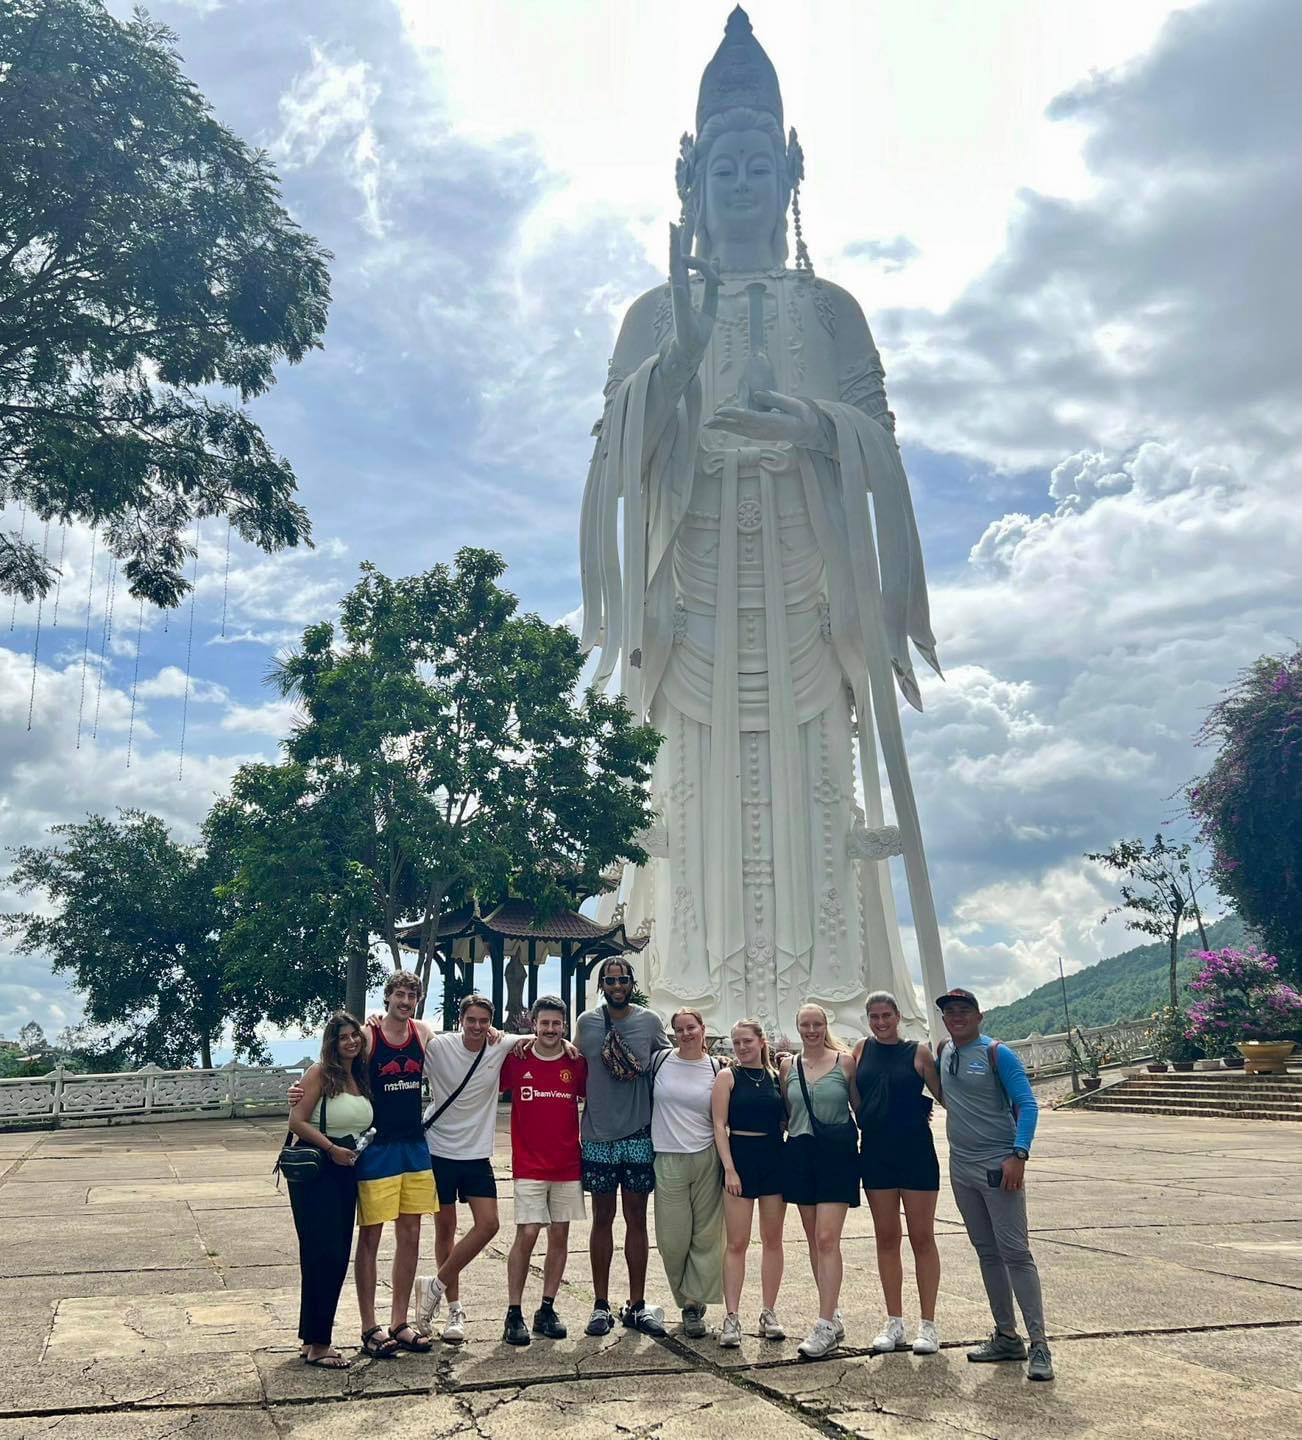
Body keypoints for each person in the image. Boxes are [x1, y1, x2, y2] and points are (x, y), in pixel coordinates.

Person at [289, 971, 438, 1357]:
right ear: (387, 997)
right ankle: (369, 1326)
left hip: (414, 1145)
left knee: (411, 1234)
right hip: (377, 1149)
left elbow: (466, 1043)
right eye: (399, 994)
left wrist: (502, 1036)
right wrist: (297, 1091)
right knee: (370, 1237)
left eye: (412, 996)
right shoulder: (369, 1036)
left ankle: (399, 1321)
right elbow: (334, 1065)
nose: (405, 1001)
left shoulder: (423, 1033)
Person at [936, 988, 1053, 1382]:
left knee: (1015, 1252)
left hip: (999, 1166)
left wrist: (1019, 1154)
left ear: (979, 1015)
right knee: (987, 1252)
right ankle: (1006, 1335)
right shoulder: (944, 1052)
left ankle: (1039, 1343)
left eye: (963, 1010)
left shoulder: (996, 1053)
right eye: (950, 1012)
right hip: (961, 1168)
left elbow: (1028, 1104)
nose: (956, 1016)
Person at [573, 954, 672, 1337]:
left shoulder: (649, 1022)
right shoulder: (587, 1023)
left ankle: (637, 1303)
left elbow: (670, 1062)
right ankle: (600, 1304)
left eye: (623, 979)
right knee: (602, 1218)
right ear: (601, 985)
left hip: (637, 1133)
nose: (617, 986)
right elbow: (568, 1059)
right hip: (598, 1133)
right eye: (610, 980)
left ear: (632, 983)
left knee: (636, 1218)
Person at [411, 993, 513, 1344]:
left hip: (476, 1153)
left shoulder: (499, 1045)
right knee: (446, 1229)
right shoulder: (441, 1048)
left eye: (484, 1021)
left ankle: (435, 1285)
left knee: (489, 1224)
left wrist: (568, 1044)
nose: (477, 1027)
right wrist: (376, 1022)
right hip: (438, 1150)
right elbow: (408, 1036)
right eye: (471, 1020)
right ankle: (454, 1309)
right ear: (460, 1020)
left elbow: (542, 1037)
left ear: (492, 1023)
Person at [850, 990, 943, 1357]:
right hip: (876, 1152)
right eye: (874, 1017)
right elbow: (854, 1094)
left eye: (886, 1016)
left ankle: (928, 1323)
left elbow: (945, 1095)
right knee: (886, 1237)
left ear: (898, 1016)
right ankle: (894, 1320)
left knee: (922, 1237)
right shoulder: (861, 1050)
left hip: (916, 1151)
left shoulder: (918, 1053)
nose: (881, 1023)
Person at [498, 996, 588, 1346]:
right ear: (533, 1024)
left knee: (560, 1236)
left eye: (556, 1024)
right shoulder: (517, 1059)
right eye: (544, 1023)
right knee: (528, 1233)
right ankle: (513, 1311)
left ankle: (546, 1309)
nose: (550, 1029)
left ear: (564, 1026)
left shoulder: (575, 1062)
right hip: (529, 1164)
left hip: (567, 1164)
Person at [286, 1012, 374, 1368]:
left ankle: (312, 1339)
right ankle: (320, 1343)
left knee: (333, 1255)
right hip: (319, 1167)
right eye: (343, 1037)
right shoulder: (321, 1073)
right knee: (324, 1254)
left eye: (355, 1035)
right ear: (332, 1043)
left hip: (346, 1168)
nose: (350, 1042)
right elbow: (296, 1121)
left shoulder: (359, 1076)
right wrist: (331, 1148)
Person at [780, 1002, 859, 1360]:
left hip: (836, 1154)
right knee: (814, 1238)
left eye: (817, 1024)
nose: (811, 1030)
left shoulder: (845, 1063)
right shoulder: (788, 1067)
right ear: (797, 1028)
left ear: (826, 1026)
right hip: (800, 1152)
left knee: (828, 1238)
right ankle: (832, 1312)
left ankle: (825, 1323)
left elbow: (859, 1107)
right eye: (805, 1025)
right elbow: (787, 1113)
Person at [710, 1017, 787, 1347]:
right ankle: (732, 1316)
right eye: (737, 1042)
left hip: (773, 1158)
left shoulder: (776, 1077)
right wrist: (729, 1169)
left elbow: (786, 1117)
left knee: (772, 1240)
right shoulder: (728, 1077)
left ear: (761, 1042)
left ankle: (769, 1311)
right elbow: (718, 1125)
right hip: (740, 1158)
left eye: (747, 1041)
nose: (742, 1047)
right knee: (737, 1242)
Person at [650, 1007, 725, 1337]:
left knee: (706, 1236)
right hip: (668, 1156)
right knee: (672, 1239)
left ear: (702, 1028)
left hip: (706, 1156)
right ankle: (684, 1295)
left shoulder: (717, 1067)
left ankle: (693, 1305)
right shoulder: (660, 1061)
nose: (686, 1034)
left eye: (691, 1027)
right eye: (679, 1029)